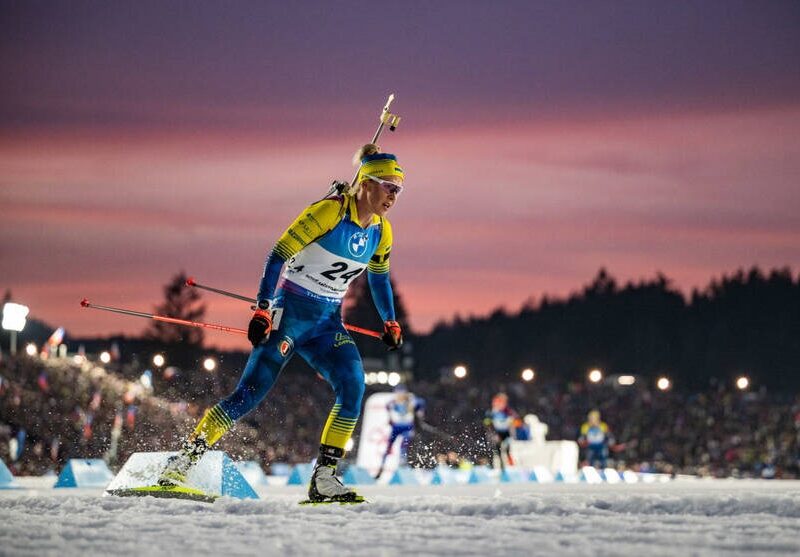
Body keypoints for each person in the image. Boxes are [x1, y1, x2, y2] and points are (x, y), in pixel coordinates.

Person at [158, 144, 405, 503]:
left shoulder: (382, 232)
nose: (393, 196)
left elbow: (379, 278)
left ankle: (324, 478)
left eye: (399, 189)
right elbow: (277, 255)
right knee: (250, 394)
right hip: (290, 315)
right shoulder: (328, 213)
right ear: (365, 183)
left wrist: (391, 321)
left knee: (353, 385)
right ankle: (182, 463)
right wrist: (262, 309)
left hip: (327, 324)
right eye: (388, 186)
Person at [375, 385, 425, 479]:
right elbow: (389, 410)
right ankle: (382, 466)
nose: (399, 396)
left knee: (404, 442)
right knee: (389, 446)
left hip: (407, 427)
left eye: (401, 393)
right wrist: (389, 419)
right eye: (398, 393)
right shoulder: (392, 403)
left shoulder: (411, 402)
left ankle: (403, 461)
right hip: (396, 428)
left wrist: (419, 412)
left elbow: (421, 403)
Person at [483, 393, 519, 471]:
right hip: (496, 433)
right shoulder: (491, 412)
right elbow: (487, 424)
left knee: (507, 450)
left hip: (506, 433)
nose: (498, 404)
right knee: (496, 450)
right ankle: (495, 467)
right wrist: (493, 434)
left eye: (502, 402)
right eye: (497, 402)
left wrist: (512, 426)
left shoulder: (508, 411)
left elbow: (515, 421)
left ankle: (508, 468)